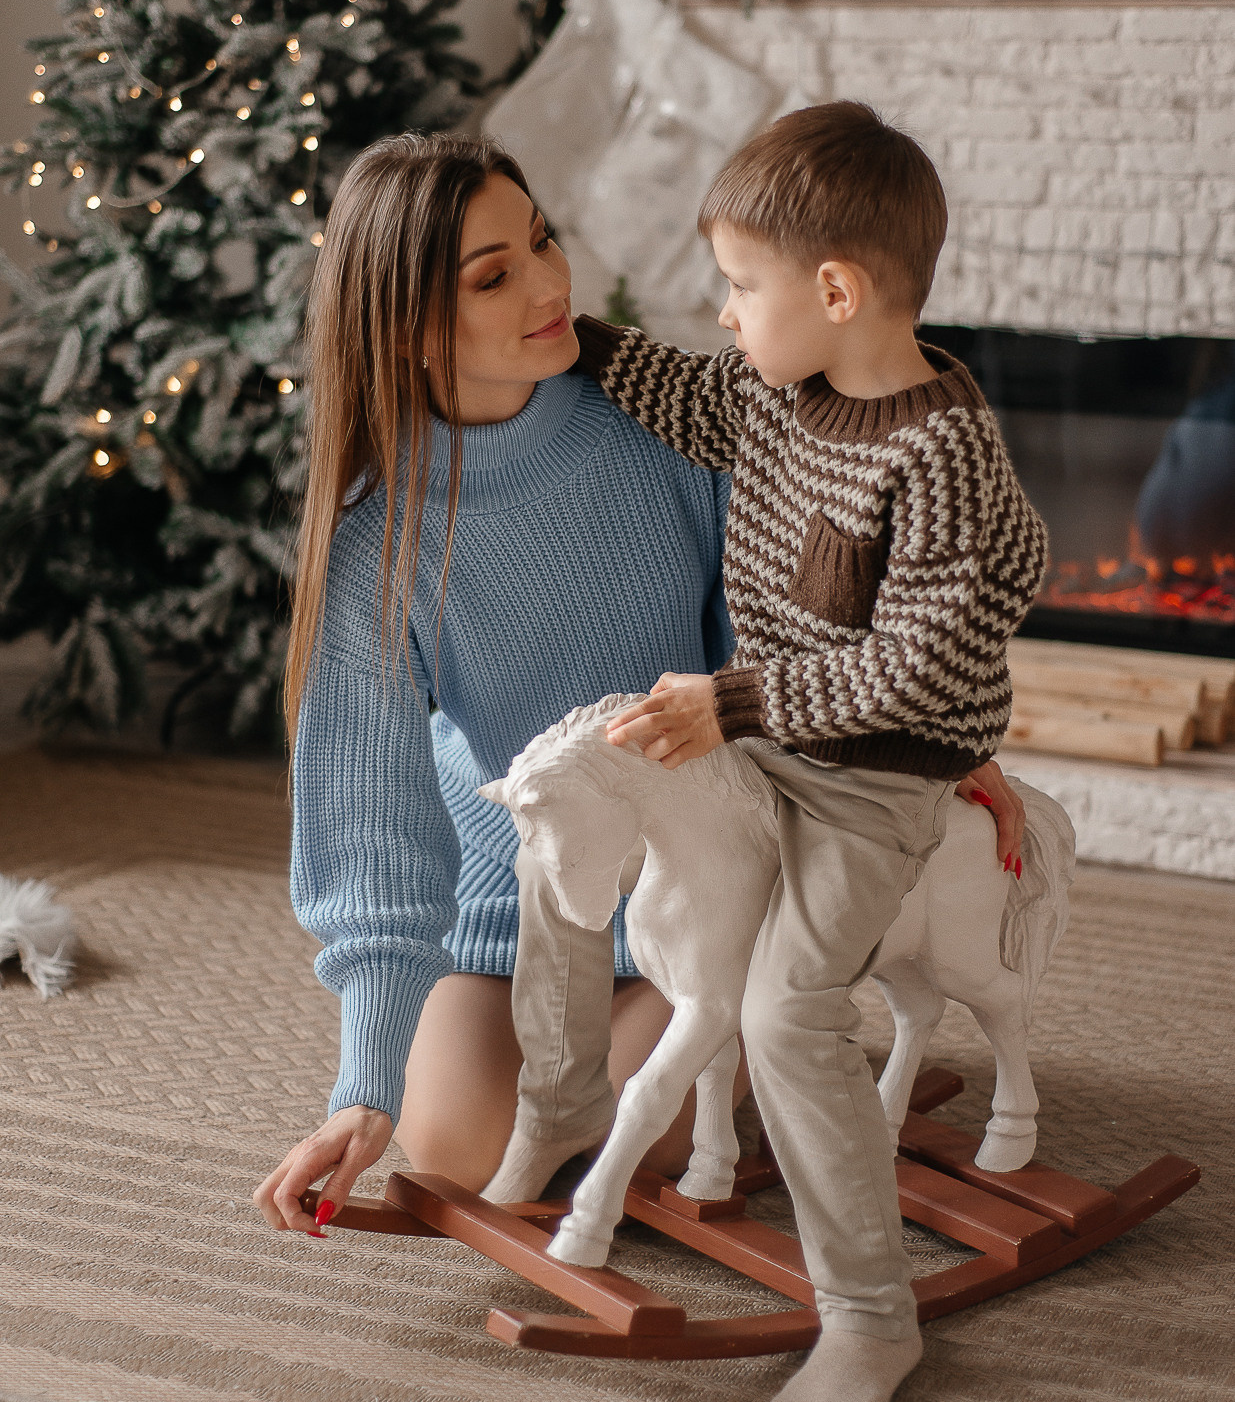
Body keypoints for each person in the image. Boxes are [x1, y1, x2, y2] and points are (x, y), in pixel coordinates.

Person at [251, 127, 1025, 1288]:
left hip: (716, 843)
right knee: (455, 1143)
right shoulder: (377, 543)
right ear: (407, 326)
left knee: (639, 1122)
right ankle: (728, 1045)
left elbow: (803, 620)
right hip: (519, 870)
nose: (553, 282)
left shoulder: (665, 423)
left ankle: (767, 1023)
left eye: (541, 239)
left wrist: (931, 751)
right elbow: (374, 830)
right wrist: (360, 1085)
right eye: (494, 274)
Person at [566, 102, 1048, 1402]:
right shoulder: (776, 390)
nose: (721, 313)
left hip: (875, 773)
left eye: (737, 286)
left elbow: (898, 673)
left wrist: (730, 701)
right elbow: (680, 389)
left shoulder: (938, 454)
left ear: (832, 291)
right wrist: (575, 342)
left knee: (783, 1008)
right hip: (773, 732)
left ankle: (866, 1317)